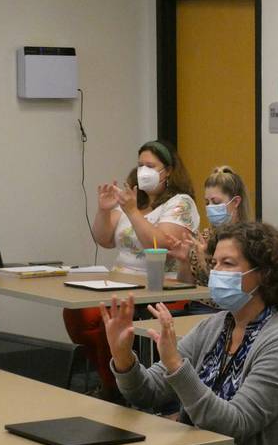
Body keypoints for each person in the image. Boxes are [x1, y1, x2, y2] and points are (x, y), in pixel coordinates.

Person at [41, 221, 278, 445]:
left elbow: (235, 424)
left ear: (264, 274)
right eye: (214, 264)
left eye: (228, 264)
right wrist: (124, 357)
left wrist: (176, 364)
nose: (216, 273)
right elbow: (149, 393)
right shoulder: (217, 326)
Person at [63, 140, 199, 400]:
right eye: (140, 165)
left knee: (100, 319)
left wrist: (132, 211)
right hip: (118, 281)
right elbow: (104, 239)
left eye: (151, 165)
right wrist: (104, 210)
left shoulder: (180, 203)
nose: (143, 171)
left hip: (159, 286)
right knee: (76, 311)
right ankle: (110, 376)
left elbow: (159, 244)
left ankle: (116, 388)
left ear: (168, 171)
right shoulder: (132, 200)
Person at [167, 165, 251, 311]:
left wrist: (206, 261)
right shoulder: (204, 236)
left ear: (236, 202)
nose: (210, 207)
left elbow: (235, 290)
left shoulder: (248, 239)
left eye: (216, 202)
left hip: (229, 311)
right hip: (196, 307)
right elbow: (188, 286)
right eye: (207, 203)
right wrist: (184, 262)